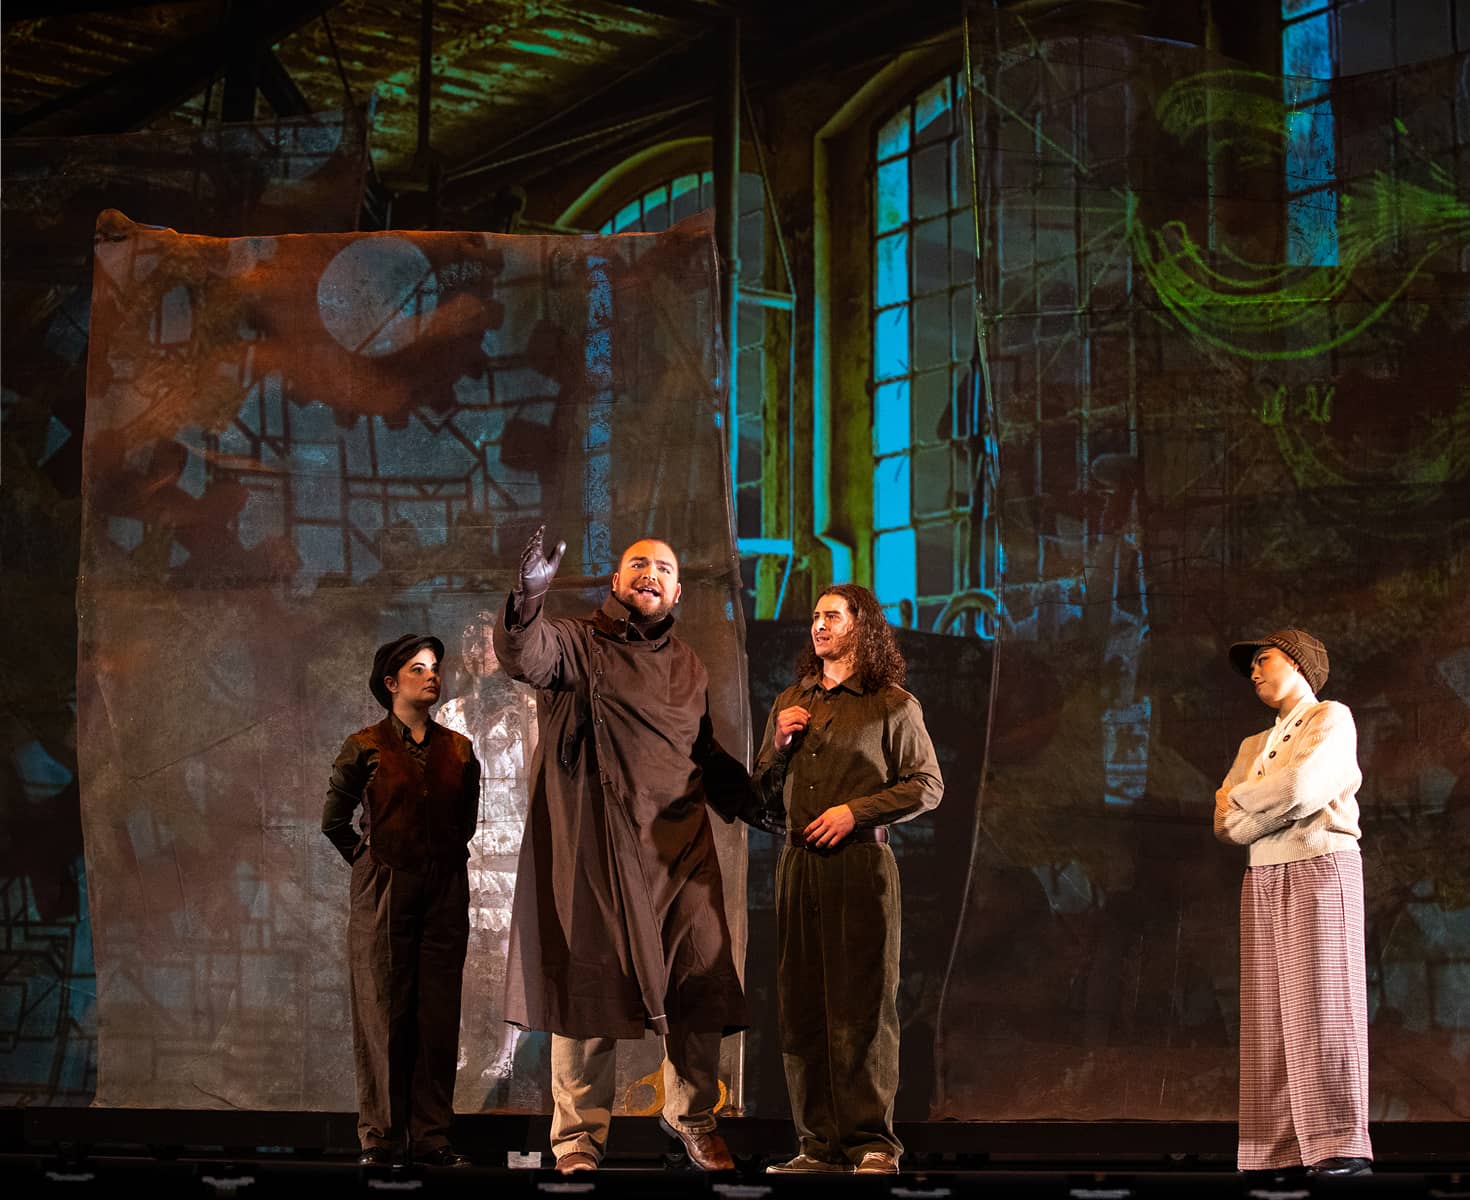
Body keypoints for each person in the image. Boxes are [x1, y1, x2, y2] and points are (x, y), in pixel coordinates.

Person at [493, 527, 779, 1174]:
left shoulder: (689, 667)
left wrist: (760, 804)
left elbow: (702, 754)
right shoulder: (577, 642)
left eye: (663, 568)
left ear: (677, 591)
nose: (650, 574)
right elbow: (526, 657)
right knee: (591, 996)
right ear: (617, 585)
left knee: (701, 989)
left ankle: (692, 1116)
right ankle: (578, 1142)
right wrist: (529, 598)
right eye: (637, 566)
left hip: (679, 853)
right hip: (602, 851)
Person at [754, 584, 943, 1176]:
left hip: (860, 865)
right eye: (814, 617)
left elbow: (926, 784)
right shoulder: (792, 700)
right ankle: (817, 1145)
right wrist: (780, 746)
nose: (819, 625)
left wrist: (854, 811)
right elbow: (759, 797)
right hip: (797, 867)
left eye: (832, 616)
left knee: (861, 1005)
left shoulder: (891, 704)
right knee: (802, 1004)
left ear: (862, 626)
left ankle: (870, 1143)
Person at [1214, 628, 1372, 1178]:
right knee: (1270, 1011)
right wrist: (1256, 804)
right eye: (1252, 665)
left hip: (1319, 863)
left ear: (1299, 663)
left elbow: (1304, 786)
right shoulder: (1252, 747)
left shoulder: (1331, 717)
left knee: (1324, 1003)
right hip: (1263, 873)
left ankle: (1339, 1146)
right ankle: (1276, 1151)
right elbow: (1225, 827)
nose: (1254, 672)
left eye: (1264, 659)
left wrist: (1242, 799)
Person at [322, 634, 481, 1168]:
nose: (432, 675)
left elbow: (465, 823)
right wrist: (373, 863)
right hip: (384, 892)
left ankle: (432, 1136)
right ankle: (382, 1138)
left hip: (443, 890)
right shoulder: (364, 746)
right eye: (418, 669)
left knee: (437, 1015)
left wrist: (434, 863)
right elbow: (333, 821)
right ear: (392, 683)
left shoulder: (459, 749)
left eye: (434, 667)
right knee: (383, 1010)